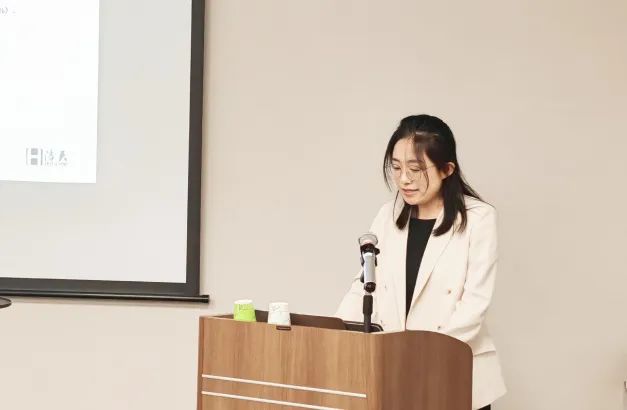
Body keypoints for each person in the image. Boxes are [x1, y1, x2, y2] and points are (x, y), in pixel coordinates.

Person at [336, 114, 506, 410]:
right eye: (397, 167)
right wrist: (334, 338)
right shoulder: (387, 216)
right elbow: (364, 286)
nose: (404, 179)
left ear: (447, 169)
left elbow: (474, 304)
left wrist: (422, 358)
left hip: (453, 370)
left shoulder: (479, 219)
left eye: (415, 169)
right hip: (394, 371)